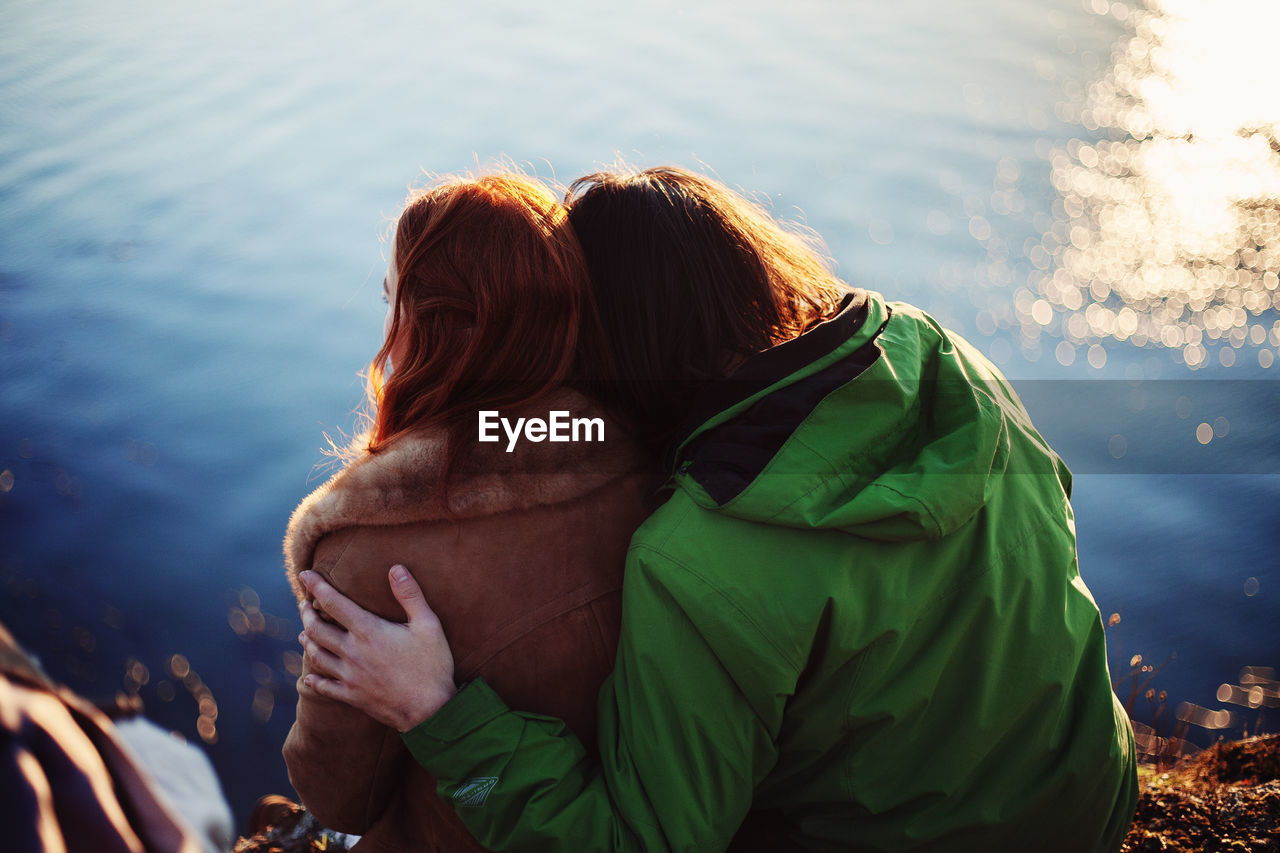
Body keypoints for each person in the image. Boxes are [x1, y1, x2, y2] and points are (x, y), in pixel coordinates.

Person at [296, 166, 1139, 851]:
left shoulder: (697, 554)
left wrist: (439, 713)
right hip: (1093, 794)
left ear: (616, 345)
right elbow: (1053, 510)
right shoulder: (936, 354)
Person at [282, 172, 651, 852]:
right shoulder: (646, 463)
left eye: (393, 300)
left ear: (425, 330)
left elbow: (337, 793)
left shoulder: (369, 555)